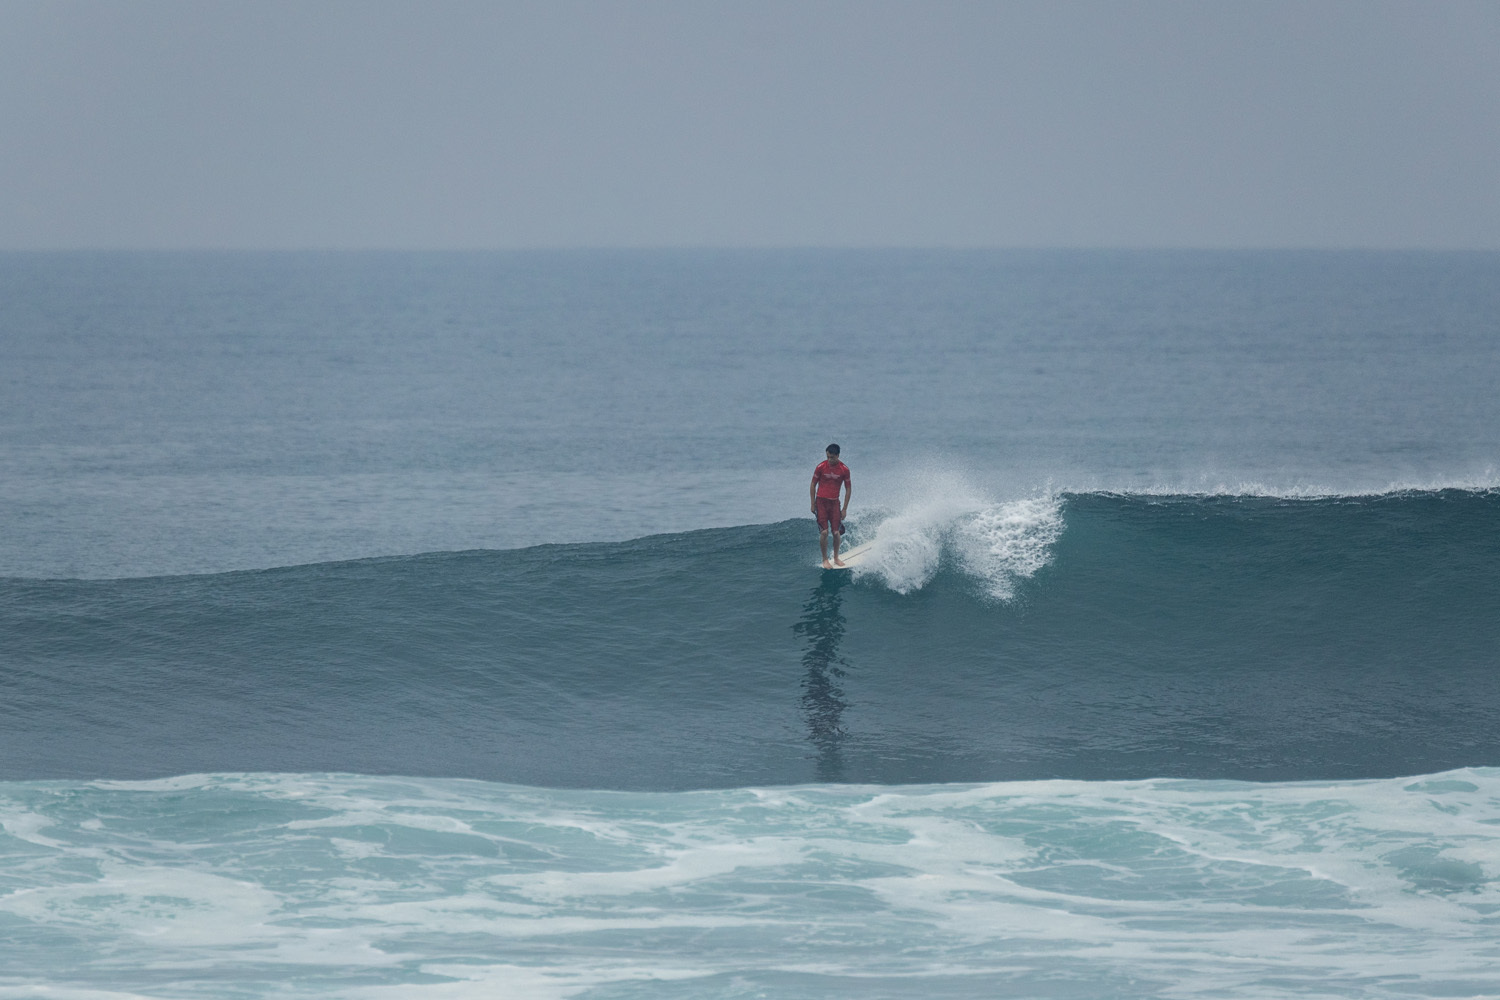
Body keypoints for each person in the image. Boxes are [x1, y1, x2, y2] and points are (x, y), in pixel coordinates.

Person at [810, 443, 852, 568]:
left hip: (834, 503)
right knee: (824, 532)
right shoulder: (821, 467)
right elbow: (812, 485)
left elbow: (848, 489)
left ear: (838, 456)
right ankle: (824, 560)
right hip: (821, 502)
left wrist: (844, 509)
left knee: (836, 533)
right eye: (828, 457)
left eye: (832, 457)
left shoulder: (844, 470)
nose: (829, 460)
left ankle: (836, 558)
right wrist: (812, 503)